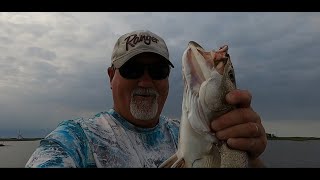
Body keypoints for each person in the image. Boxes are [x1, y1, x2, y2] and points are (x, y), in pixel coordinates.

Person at [25, 30, 267, 168]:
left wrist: (249, 157)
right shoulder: (76, 139)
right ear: (111, 76)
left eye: (158, 71)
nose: (145, 80)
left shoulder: (179, 132)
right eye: (133, 69)